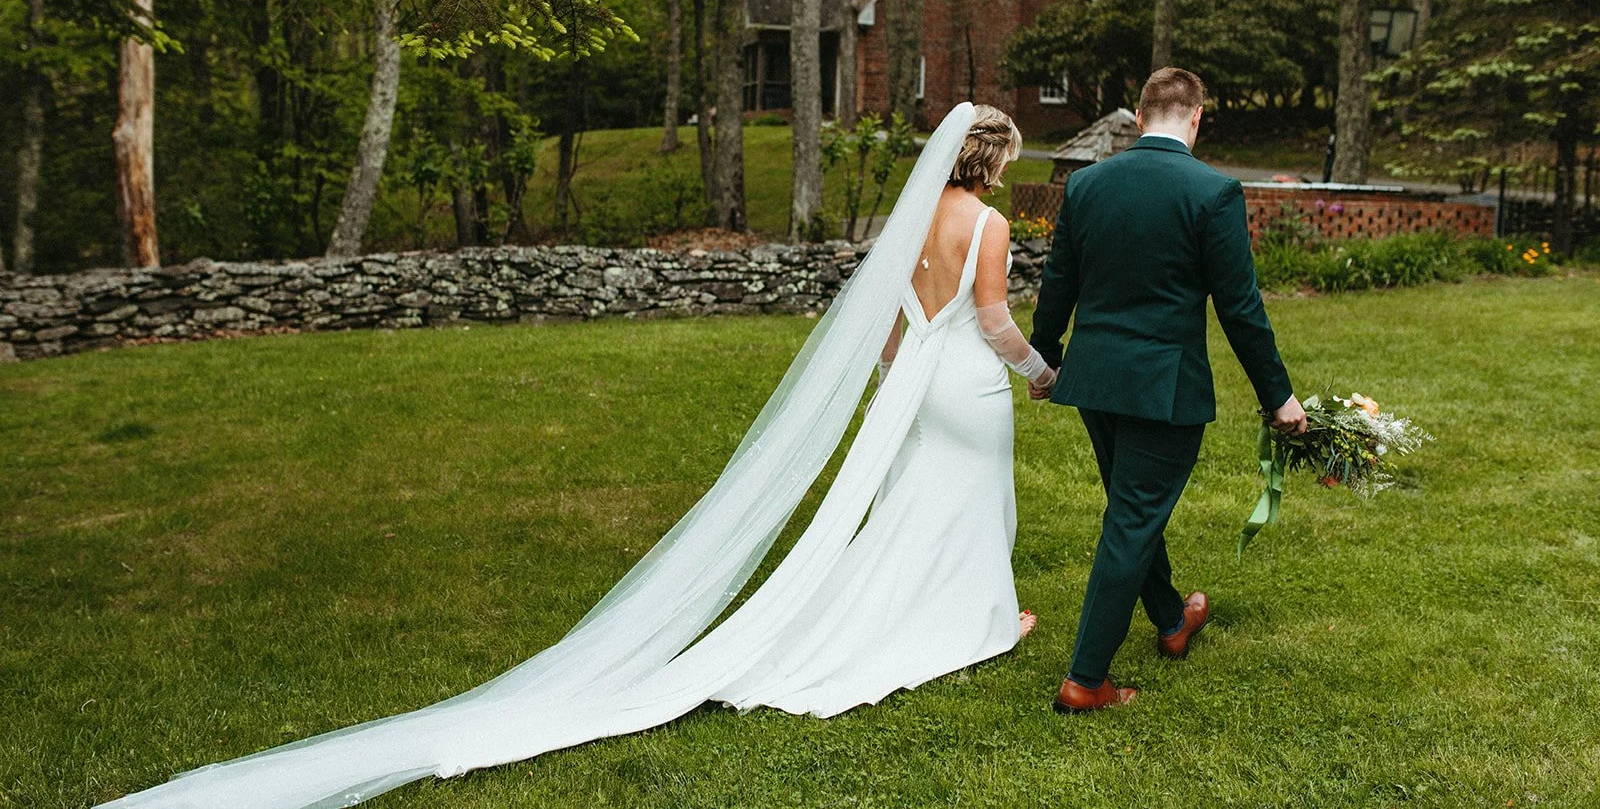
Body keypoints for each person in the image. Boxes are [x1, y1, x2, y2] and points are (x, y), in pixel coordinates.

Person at [98, 103, 1048, 809]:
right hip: (965, 383)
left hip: (911, 384)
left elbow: (886, 326)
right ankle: (970, 618)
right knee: (966, 502)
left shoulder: (909, 223)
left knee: (916, 505)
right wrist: (1041, 373)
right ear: (994, 162)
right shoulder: (991, 226)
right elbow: (997, 320)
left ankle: (949, 612)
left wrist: (899, 371)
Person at [1028, 67, 1308, 713]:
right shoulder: (1213, 191)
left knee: (1132, 509)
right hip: (1163, 388)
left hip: (1094, 382)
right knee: (1131, 519)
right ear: (1197, 116)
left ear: (1137, 112)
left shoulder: (1087, 184)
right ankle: (1085, 677)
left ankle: (1174, 620)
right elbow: (1240, 307)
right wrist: (1279, 397)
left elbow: (1058, 281)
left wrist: (1047, 359)